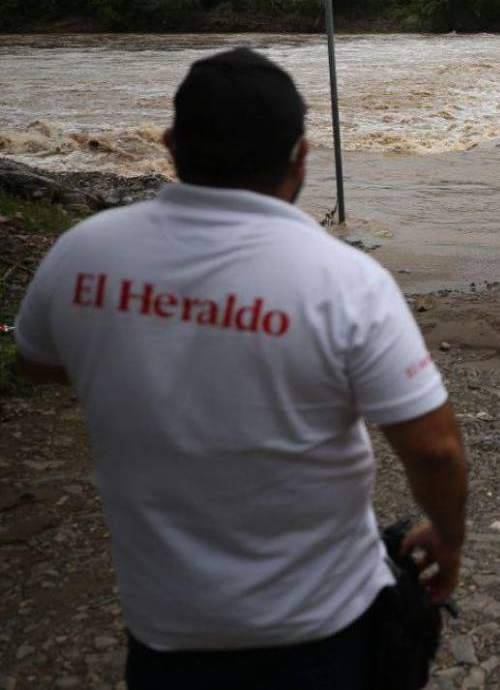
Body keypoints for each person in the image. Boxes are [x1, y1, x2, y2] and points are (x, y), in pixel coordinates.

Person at [14, 47, 468, 689]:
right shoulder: (345, 281)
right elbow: (436, 451)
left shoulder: (82, 254)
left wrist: (147, 351)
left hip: (164, 635)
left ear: (170, 143)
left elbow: (37, 363)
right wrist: (446, 536)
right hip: (321, 630)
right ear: (302, 156)